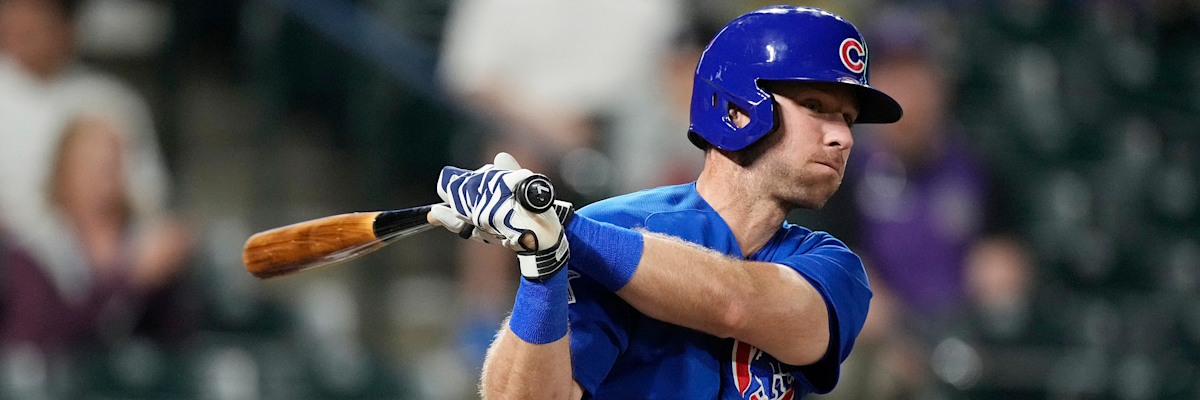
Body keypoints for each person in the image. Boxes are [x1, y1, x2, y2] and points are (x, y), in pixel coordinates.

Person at [428, 6, 903, 399]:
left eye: (847, 119)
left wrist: (561, 229)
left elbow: (737, 303)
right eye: (816, 107)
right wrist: (543, 265)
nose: (842, 137)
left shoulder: (831, 265)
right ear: (737, 110)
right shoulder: (616, 226)